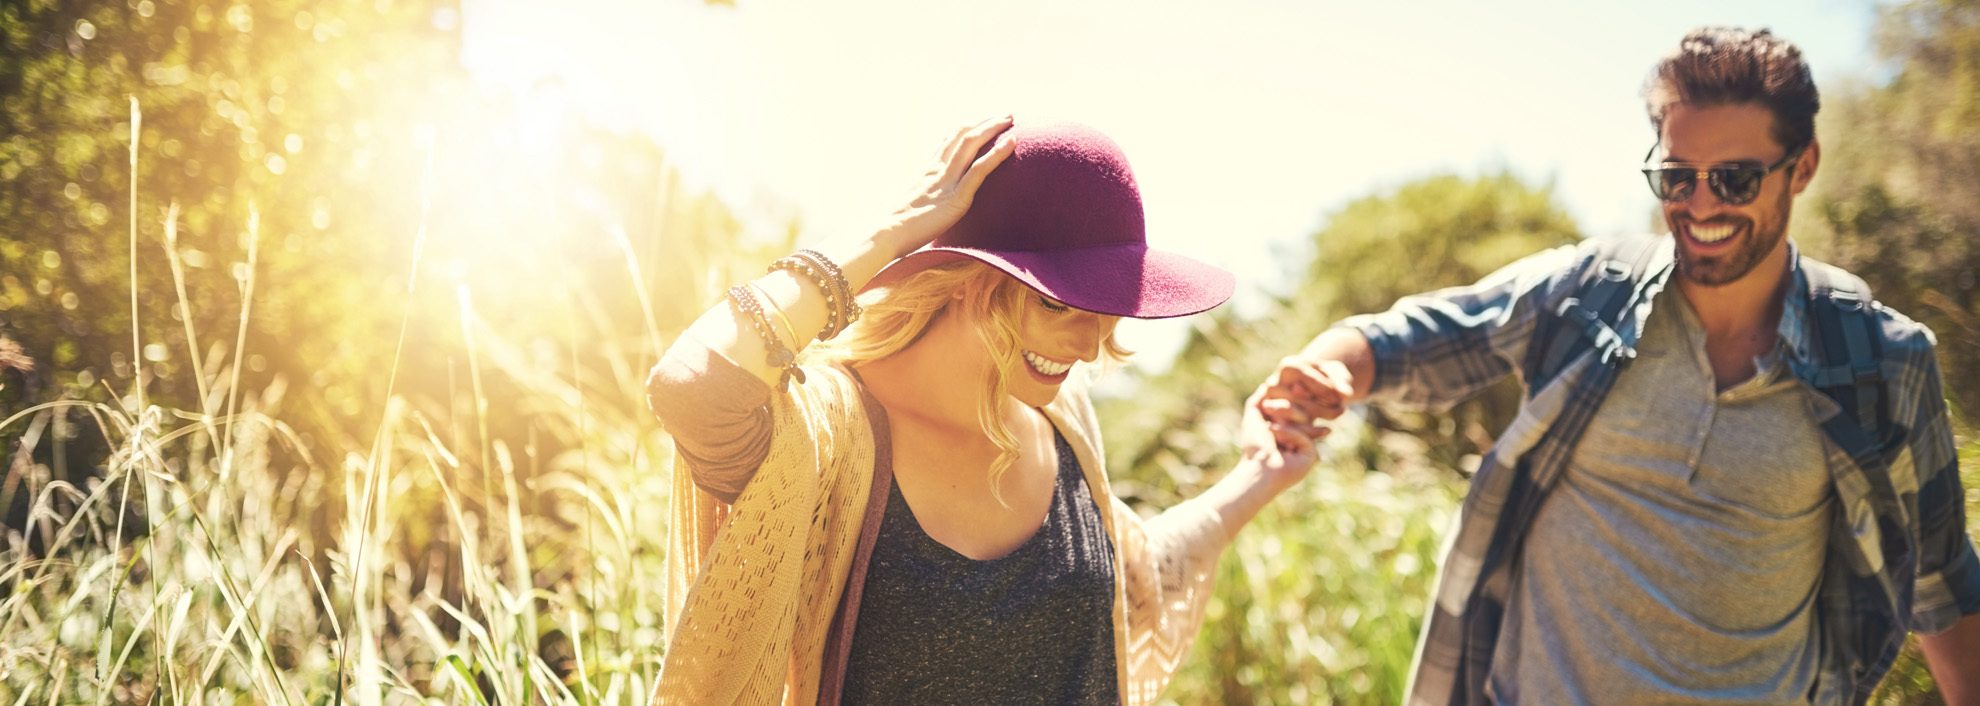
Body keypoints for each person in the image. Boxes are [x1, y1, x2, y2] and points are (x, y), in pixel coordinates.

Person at [1258, 27, 1980, 705]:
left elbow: (1943, 587)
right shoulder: (1586, 292)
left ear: (1803, 168)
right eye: (1676, 176)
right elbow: (1412, 338)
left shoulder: (1880, 360)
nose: (1700, 205)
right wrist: (1325, 374)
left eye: (1733, 179)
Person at [645, 117, 1329, 705]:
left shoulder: (1064, 425)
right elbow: (692, 387)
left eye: (1107, 307)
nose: (1090, 345)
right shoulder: (832, 438)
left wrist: (1258, 474)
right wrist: (891, 235)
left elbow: (1138, 577)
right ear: (961, 276)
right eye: (1057, 302)